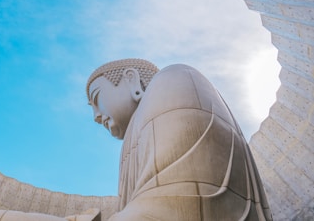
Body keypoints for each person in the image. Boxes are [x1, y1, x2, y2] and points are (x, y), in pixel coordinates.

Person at [86, 58, 272, 220]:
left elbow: (186, 202)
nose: (95, 116)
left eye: (96, 98)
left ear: (131, 79)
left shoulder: (173, 79)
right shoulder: (135, 133)